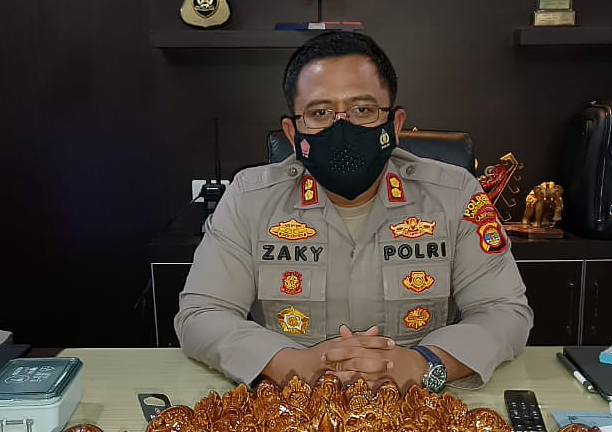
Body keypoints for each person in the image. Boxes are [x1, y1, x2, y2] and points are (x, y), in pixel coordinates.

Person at [175, 31, 533, 392]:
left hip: (417, 403)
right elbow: (202, 314)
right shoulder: (250, 197)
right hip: (294, 404)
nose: (342, 129)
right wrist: (290, 364)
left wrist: (425, 364)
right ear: (293, 133)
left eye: (363, 110)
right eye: (320, 113)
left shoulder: (454, 194)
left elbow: (504, 311)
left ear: (394, 124)